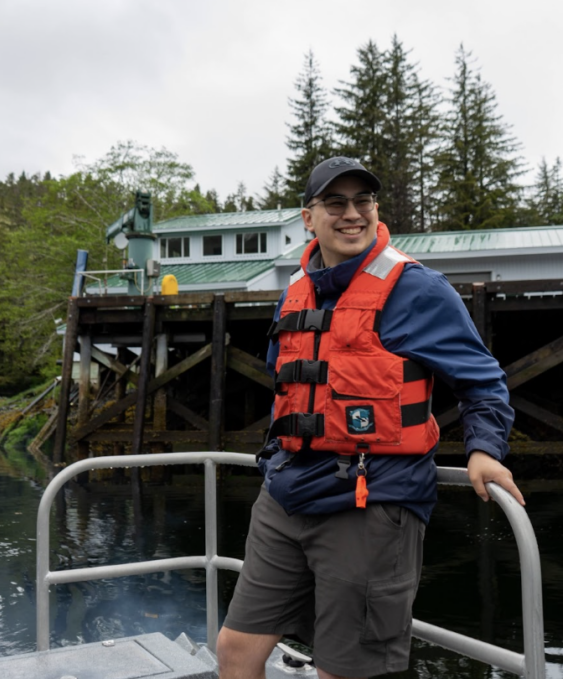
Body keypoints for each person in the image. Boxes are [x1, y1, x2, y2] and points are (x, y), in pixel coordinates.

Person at [217, 156, 522, 679]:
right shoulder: (296, 290)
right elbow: (290, 387)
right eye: (335, 203)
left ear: (377, 210)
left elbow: (483, 381)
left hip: (371, 502)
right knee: (235, 649)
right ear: (308, 218)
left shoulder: (418, 289)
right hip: (287, 497)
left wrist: (484, 451)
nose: (351, 213)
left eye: (363, 201)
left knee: (344, 672)